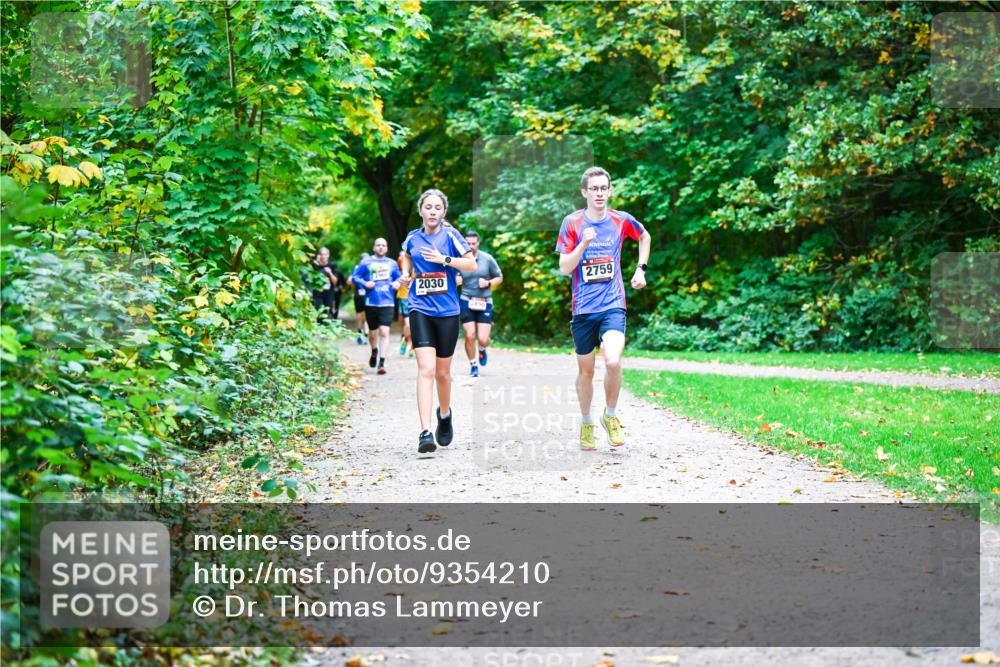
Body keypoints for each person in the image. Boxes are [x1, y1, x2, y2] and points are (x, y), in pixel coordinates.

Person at [555, 166, 651, 451]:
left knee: (612, 361)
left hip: (613, 305)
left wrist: (641, 270)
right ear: (585, 192)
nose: (599, 193)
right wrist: (583, 244)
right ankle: (586, 422)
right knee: (586, 371)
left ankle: (610, 416)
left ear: (610, 191)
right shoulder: (572, 224)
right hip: (583, 310)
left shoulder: (621, 221)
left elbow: (645, 237)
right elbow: (564, 268)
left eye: (603, 188)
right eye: (593, 189)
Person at [400, 189, 476, 454]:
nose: (432, 212)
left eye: (437, 208)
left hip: (447, 312)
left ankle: (444, 414)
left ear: (443, 212)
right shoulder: (412, 238)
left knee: (443, 373)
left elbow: (472, 265)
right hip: (420, 308)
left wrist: (444, 260)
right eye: (428, 207)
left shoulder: (451, 236)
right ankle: (424, 431)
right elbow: (407, 256)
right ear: (421, 210)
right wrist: (405, 275)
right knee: (426, 369)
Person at [456, 230, 502, 378]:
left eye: (473, 243)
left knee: (482, 339)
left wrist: (488, 282)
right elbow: (453, 276)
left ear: (478, 243)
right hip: (466, 299)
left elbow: (499, 277)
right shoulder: (460, 259)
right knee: (469, 335)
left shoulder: (487, 259)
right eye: (468, 243)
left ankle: (482, 349)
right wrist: (456, 280)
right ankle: (473, 365)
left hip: (484, 301)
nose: (470, 246)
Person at [352, 239, 401, 375]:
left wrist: (397, 283)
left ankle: (382, 363)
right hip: (371, 302)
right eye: (378, 245)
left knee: (384, 332)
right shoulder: (366, 262)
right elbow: (355, 277)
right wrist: (365, 283)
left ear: (386, 248)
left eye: (383, 245)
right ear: (374, 247)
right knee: (373, 333)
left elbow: (400, 278)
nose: (381, 247)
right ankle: (374, 350)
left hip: (388, 302)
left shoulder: (392, 263)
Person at [301, 247, 339, 324]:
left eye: (325, 254)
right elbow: (307, 278)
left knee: (328, 311)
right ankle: (320, 327)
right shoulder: (314, 265)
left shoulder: (332, 265)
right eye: (322, 254)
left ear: (328, 255)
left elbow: (335, 282)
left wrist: (330, 273)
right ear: (319, 255)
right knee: (318, 309)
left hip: (329, 292)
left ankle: (326, 329)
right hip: (317, 292)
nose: (323, 256)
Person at [347, 253, 370, 344]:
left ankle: (364, 333)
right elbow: (349, 281)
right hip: (361, 294)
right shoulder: (360, 268)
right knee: (361, 314)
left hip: (366, 293)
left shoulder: (357, 268)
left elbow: (349, 281)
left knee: (364, 314)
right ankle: (362, 333)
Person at [396, 249, 414, 357]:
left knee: (416, 325)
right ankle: (406, 339)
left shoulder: (418, 266)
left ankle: (413, 347)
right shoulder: (401, 263)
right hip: (404, 297)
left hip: (417, 297)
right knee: (408, 325)